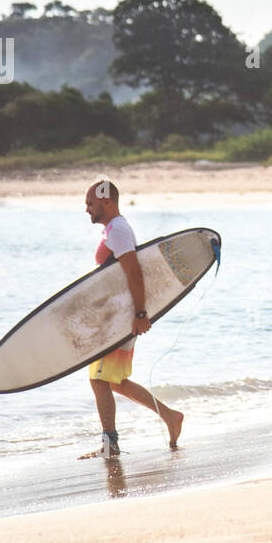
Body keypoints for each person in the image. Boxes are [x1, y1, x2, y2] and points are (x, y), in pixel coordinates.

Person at [83, 180, 183, 457]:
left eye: (90, 203)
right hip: (117, 316)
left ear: (106, 201)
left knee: (99, 380)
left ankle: (109, 444)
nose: (87, 209)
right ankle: (171, 417)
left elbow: (134, 272)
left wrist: (140, 313)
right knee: (113, 381)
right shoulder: (113, 230)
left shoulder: (119, 231)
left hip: (121, 318)